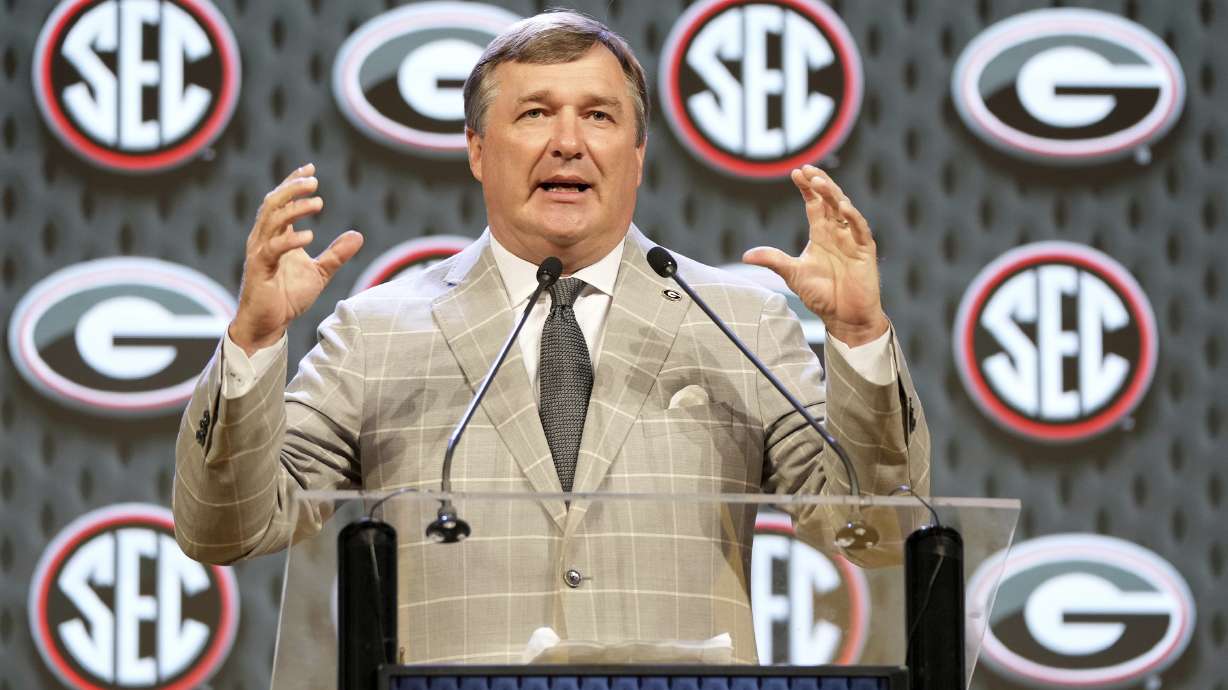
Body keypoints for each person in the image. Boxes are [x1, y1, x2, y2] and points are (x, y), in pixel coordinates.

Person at [173, 10, 929, 664]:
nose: (568, 142)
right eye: (535, 113)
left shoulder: (740, 321)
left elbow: (874, 529)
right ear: (476, 149)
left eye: (599, 116)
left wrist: (858, 334)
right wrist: (254, 339)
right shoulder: (377, 331)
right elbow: (227, 527)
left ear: (636, 156)